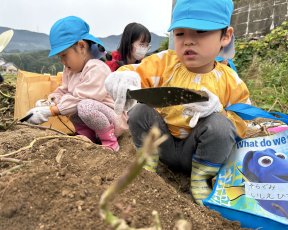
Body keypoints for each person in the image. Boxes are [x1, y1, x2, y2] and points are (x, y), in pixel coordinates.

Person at [104, 0, 251, 205]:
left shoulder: (230, 81)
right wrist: (124, 77)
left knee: (220, 126)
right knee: (140, 112)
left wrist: (219, 111)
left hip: (200, 152)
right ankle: (147, 166)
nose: (188, 41)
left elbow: (244, 121)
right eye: (180, 33)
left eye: (200, 31)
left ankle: (201, 179)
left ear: (225, 36)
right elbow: (136, 71)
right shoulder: (165, 62)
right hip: (163, 144)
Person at [25, 16, 128, 152]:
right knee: (71, 105)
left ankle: (110, 142)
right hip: (93, 123)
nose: (62, 61)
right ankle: (87, 136)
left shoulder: (97, 68)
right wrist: (51, 100)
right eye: (60, 57)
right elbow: (64, 91)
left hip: (113, 121)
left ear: (81, 46)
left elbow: (80, 98)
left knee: (83, 106)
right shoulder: (70, 70)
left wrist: (50, 112)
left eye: (64, 55)